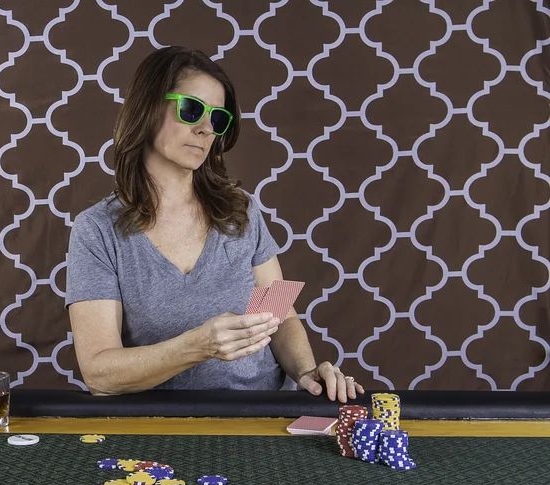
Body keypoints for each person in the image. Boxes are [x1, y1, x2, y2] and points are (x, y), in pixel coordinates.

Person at [65, 46, 364, 403]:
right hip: (158, 424)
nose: (206, 129)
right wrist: (198, 345)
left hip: (261, 415)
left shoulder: (242, 210)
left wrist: (305, 372)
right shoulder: (96, 231)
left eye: (218, 118)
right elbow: (99, 374)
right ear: (147, 108)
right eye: (191, 110)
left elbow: (281, 316)